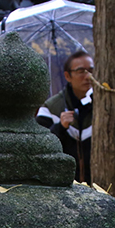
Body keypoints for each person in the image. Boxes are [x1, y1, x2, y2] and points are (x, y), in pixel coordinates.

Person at [36, 50, 94, 182]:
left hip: (98, 185)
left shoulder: (104, 105)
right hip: (62, 182)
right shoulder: (51, 108)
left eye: (91, 70)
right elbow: (38, 146)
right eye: (81, 71)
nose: (88, 76)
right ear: (68, 76)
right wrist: (60, 127)